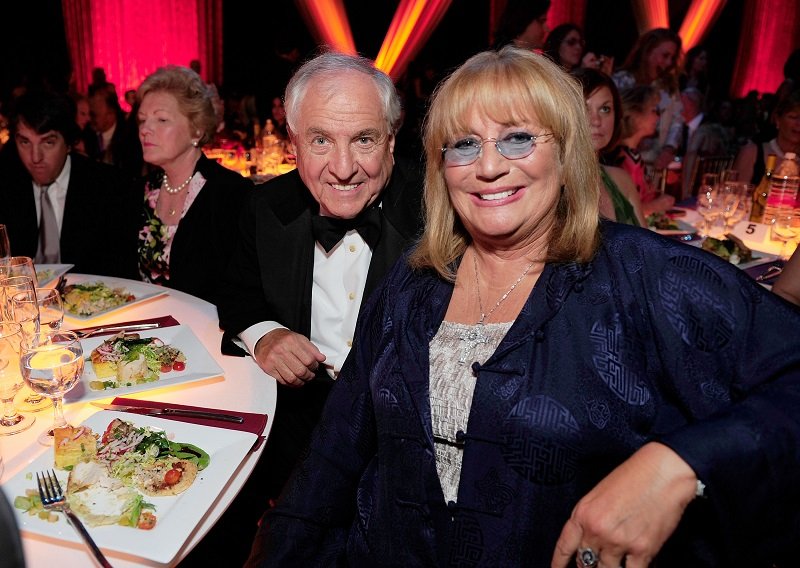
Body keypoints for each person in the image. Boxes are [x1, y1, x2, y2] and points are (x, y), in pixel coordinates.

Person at [247, 46, 800, 568]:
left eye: (516, 139)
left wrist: (679, 467)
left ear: (566, 150)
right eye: (463, 144)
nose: (488, 166)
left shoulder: (646, 276)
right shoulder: (414, 284)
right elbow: (333, 460)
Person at [211, 50, 423, 564]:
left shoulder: (439, 212)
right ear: (293, 144)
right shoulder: (264, 208)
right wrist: (266, 335)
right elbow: (236, 292)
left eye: (365, 140)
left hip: (407, 448)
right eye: (321, 140)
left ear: (391, 141)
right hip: (296, 439)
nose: (344, 168)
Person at [136, 65, 254, 306]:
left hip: (206, 333)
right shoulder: (142, 190)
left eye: (161, 119)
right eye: (142, 120)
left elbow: (241, 290)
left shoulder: (230, 194)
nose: (145, 130)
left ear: (197, 129)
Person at [0, 89, 139, 277]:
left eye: (48, 143)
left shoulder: (109, 187)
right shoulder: (8, 185)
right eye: (25, 142)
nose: (35, 157)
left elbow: (121, 270)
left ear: (69, 143)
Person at [572, 67, 645, 226]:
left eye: (605, 109)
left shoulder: (621, 180)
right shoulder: (553, 187)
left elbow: (647, 248)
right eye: (585, 108)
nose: (596, 120)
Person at [613, 28, 684, 170]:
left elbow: (677, 121)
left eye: (672, 58)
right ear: (647, 52)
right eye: (665, 56)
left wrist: (669, 149)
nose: (669, 62)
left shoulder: (669, 89)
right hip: (620, 162)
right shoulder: (622, 81)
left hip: (654, 166)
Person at [606, 84, 675, 216]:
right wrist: (654, 206)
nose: (658, 117)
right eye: (654, 111)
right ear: (635, 115)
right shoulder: (616, 159)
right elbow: (618, 212)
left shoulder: (633, 155)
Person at [734, 89, 800, 185]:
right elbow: (734, 194)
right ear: (777, 120)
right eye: (793, 117)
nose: (799, 123)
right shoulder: (753, 152)